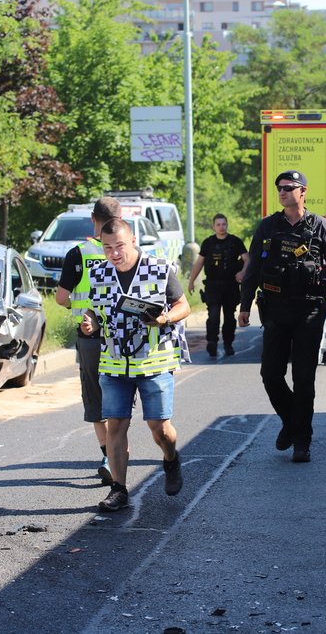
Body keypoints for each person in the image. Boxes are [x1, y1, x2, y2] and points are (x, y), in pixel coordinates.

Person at [238, 170, 326, 463]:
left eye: (288, 187)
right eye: (279, 188)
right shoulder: (268, 226)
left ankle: (302, 440)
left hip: (309, 311)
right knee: (270, 375)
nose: (281, 192)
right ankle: (292, 422)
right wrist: (243, 306)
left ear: (302, 191)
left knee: (304, 379)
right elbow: (253, 269)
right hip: (276, 311)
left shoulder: (320, 227)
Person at [83, 218, 191, 512]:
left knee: (160, 429)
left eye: (118, 246)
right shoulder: (99, 273)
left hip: (153, 361)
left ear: (132, 239)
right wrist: (90, 321)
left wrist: (165, 318)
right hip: (114, 362)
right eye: (107, 248)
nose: (114, 253)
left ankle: (171, 459)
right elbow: (94, 309)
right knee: (115, 424)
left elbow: (183, 305)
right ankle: (118, 489)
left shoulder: (159, 268)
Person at [55, 196, 123, 487]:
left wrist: (79, 309)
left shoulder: (78, 253)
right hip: (123, 337)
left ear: (93, 220)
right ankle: (122, 454)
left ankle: (109, 457)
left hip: (90, 336)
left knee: (96, 398)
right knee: (120, 398)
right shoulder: (128, 250)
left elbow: (61, 297)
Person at [187, 213, 249, 357]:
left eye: (224, 224)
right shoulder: (208, 243)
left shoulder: (235, 242)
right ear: (213, 227)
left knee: (229, 317)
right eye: (218, 225)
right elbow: (199, 263)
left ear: (227, 225)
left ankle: (228, 344)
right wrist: (191, 282)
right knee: (213, 316)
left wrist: (243, 273)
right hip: (213, 286)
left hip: (230, 286)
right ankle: (212, 343)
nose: (221, 227)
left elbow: (248, 259)